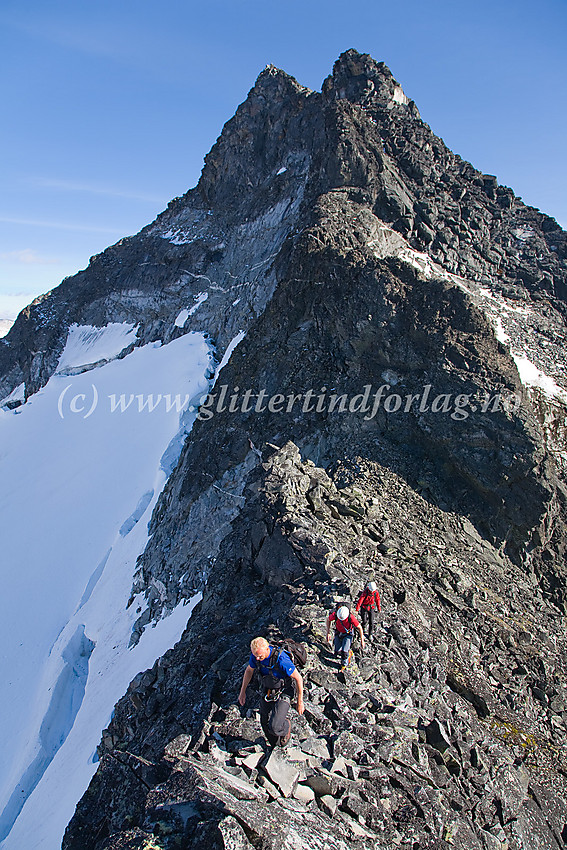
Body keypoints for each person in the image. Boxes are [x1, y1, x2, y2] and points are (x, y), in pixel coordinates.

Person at [238, 636, 304, 748]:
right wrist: (242, 692)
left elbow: (298, 678)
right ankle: (276, 745)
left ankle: (286, 726)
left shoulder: (281, 659)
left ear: (267, 649)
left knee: (275, 726)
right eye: (256, 656)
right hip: (267, 690)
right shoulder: (256, 656)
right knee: (264, 723)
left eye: (260, 656)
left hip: (284, 691)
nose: (258, 659)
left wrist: (300, 701)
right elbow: (249, 670)